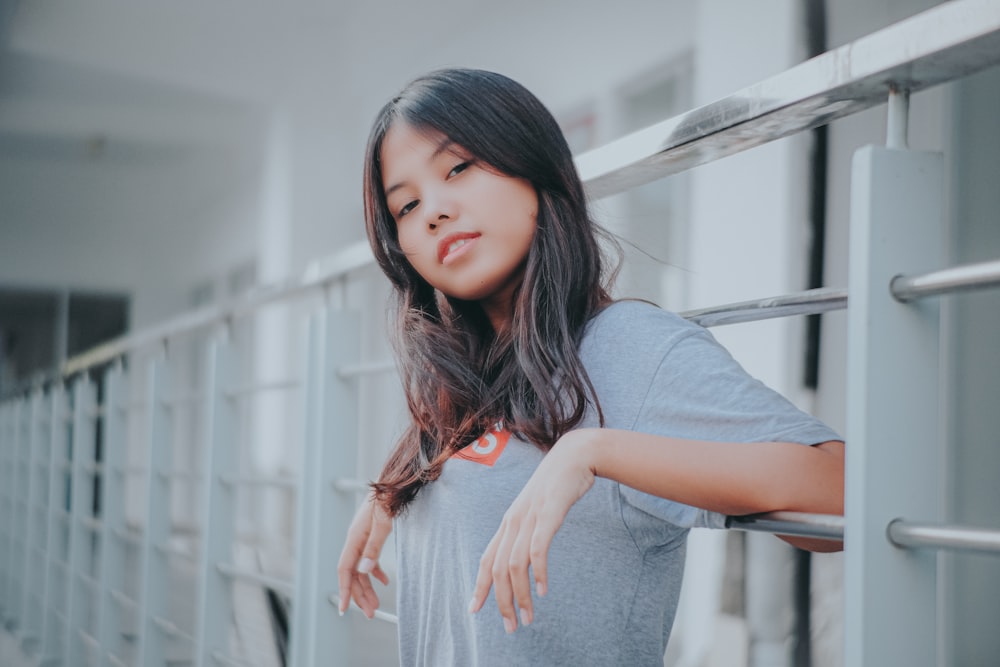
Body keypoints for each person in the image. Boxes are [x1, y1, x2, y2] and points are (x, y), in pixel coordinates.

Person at [337, 68, 844, 666]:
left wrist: (591, 453)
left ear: (533, 165)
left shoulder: (630, 346)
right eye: (407, 205)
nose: (434, 213)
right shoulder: (475, 383)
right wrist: (405, 486)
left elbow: (838, 494)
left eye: (458, 168)